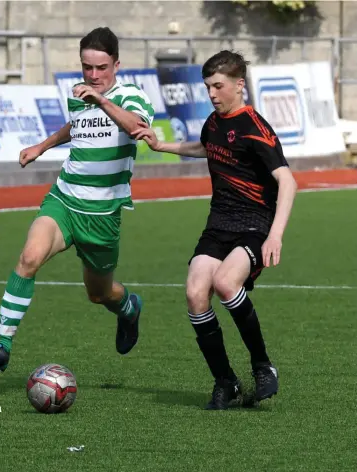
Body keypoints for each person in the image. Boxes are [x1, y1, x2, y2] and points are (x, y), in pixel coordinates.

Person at [0, 27, 155, 372]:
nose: (93, 75)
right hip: (65, 198)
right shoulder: (80, 94)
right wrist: (41, 147)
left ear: (117, 64)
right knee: (29, 257)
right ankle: (2, 344)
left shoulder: (130, 95)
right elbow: (76, 125)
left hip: (102, 214)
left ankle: (129, 308)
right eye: (87, 67)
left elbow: (137, 128)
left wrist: (101, 99)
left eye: (101, 67)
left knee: (99, 294)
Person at [132, 50, 297, 410]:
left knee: (226, 283)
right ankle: (226, 382)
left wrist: (275, 235)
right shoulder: (214, 122)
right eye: (207, 86)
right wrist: (163, 145)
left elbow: (287, 181)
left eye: (218, 86)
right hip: (218, 223)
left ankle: (262, 365)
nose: (211, 93)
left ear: (239, 85)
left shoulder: (256, 128)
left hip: (255, 225)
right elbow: (205, 147)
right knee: (194, 293)